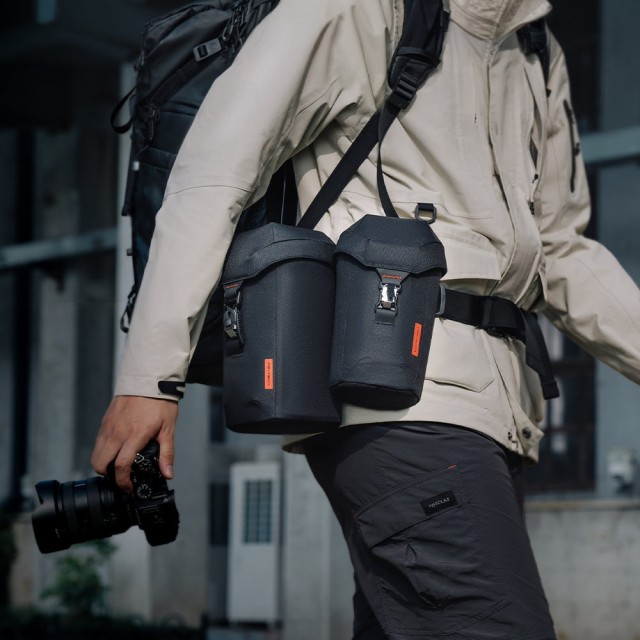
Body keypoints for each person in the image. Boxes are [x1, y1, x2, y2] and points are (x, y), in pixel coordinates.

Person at [92, 0, 640, 638]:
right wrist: (150, 378)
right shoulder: (358, 8)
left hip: (499, 414)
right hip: (394, 398)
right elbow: (214, 174)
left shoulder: (538, 48)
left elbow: (562, 250)